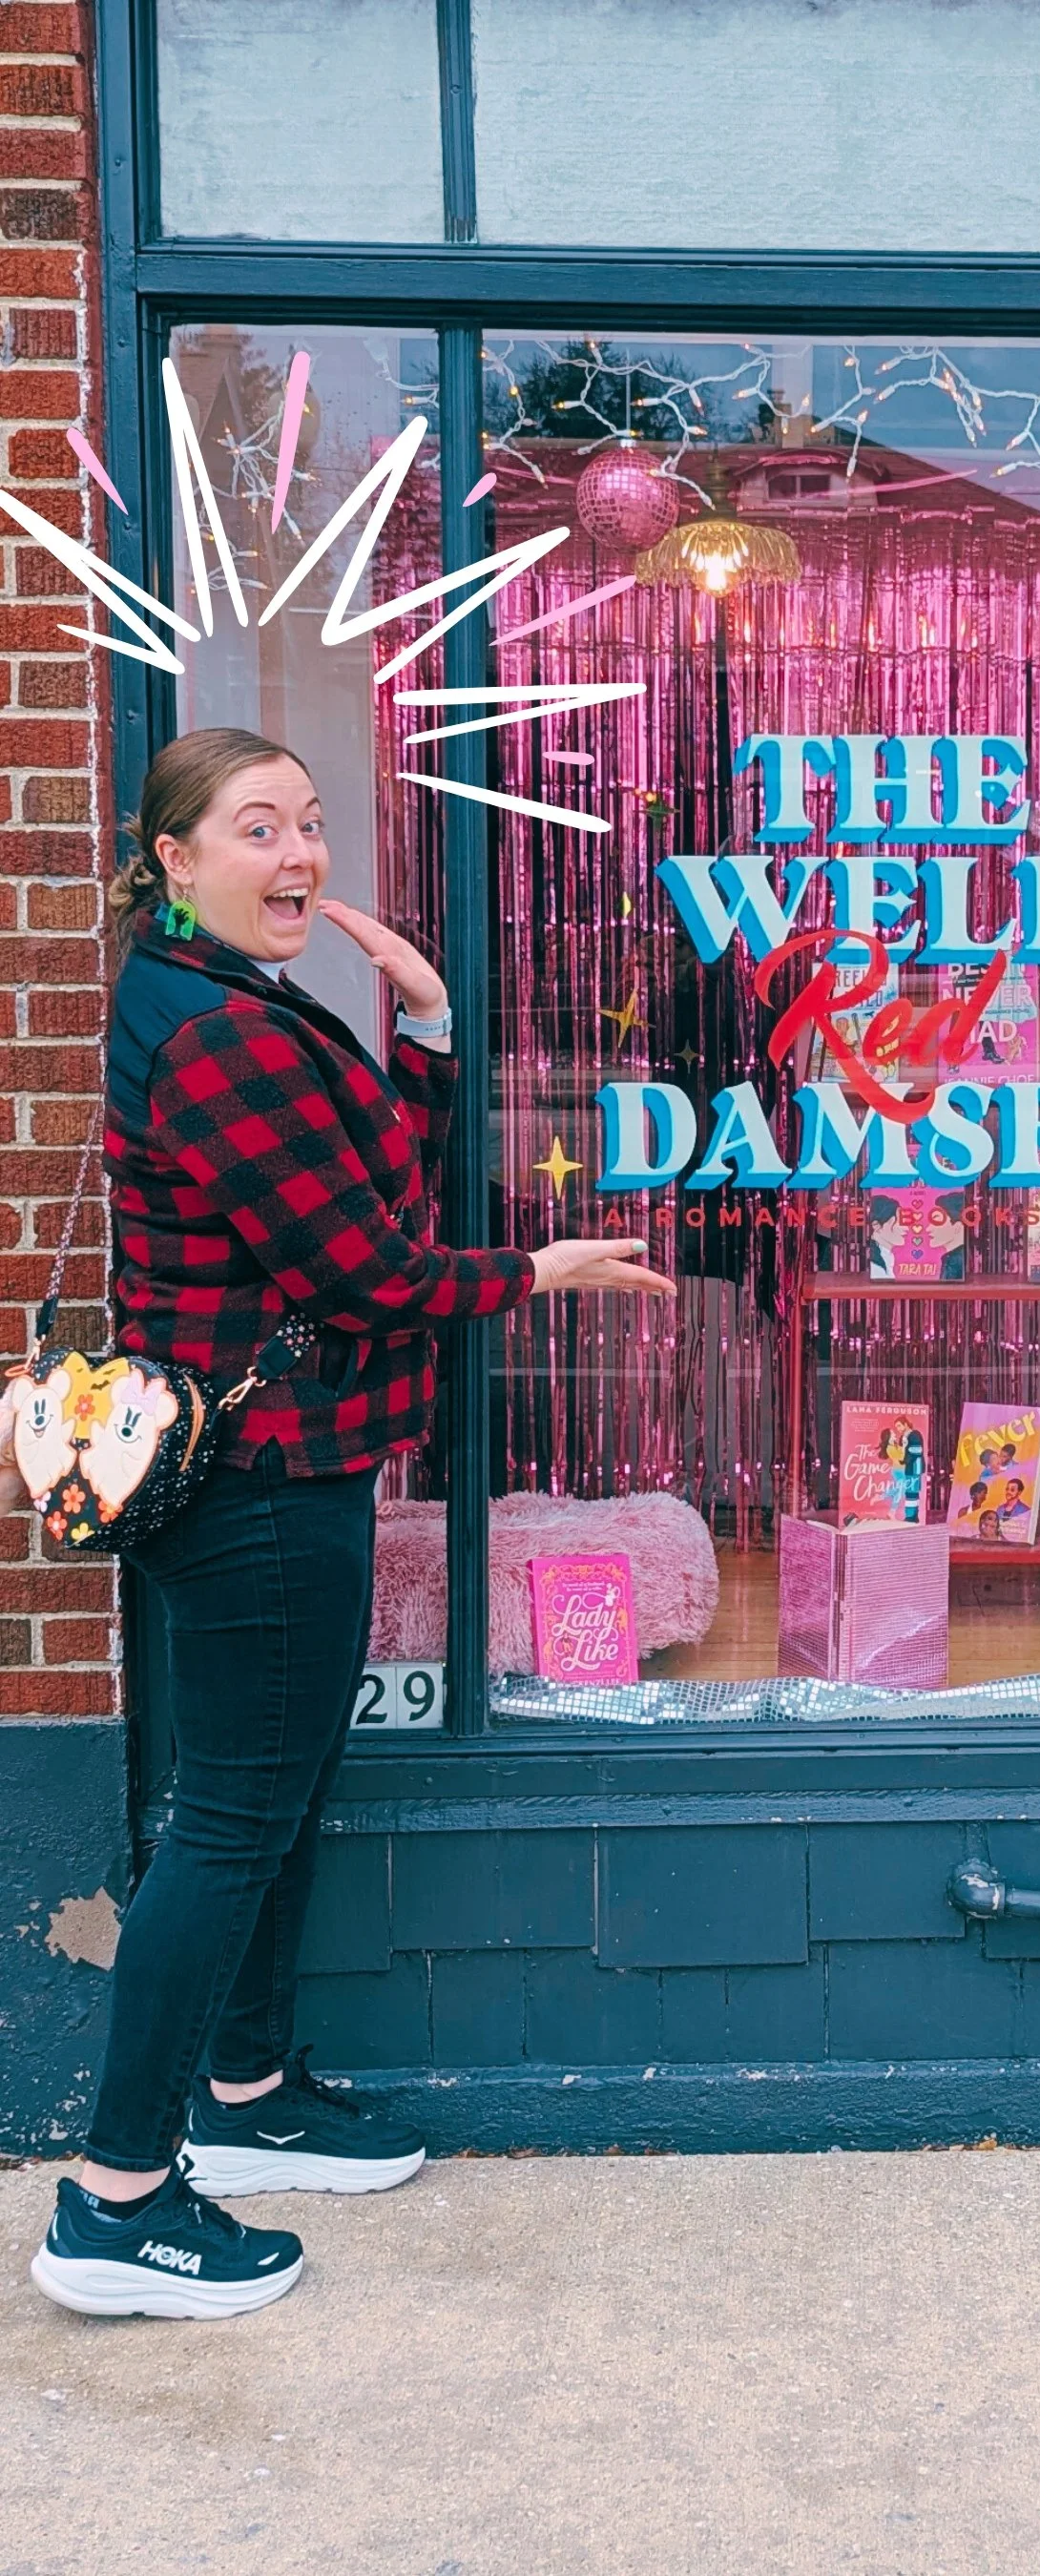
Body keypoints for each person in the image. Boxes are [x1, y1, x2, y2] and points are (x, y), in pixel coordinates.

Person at [5, 730, 673, 2321]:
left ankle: (244, 2099)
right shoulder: (214, 1029)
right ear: (174, 859)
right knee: (229, 1824)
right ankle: (115, 2203)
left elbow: (367, 1195)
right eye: (257, 828)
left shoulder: (228, 994)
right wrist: (540, 1272)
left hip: (283, 1466)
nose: (298, 853)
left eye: (308, 822)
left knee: (273, 1800)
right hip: (257, 1485)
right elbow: (370, 1275)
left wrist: (424, 1027)